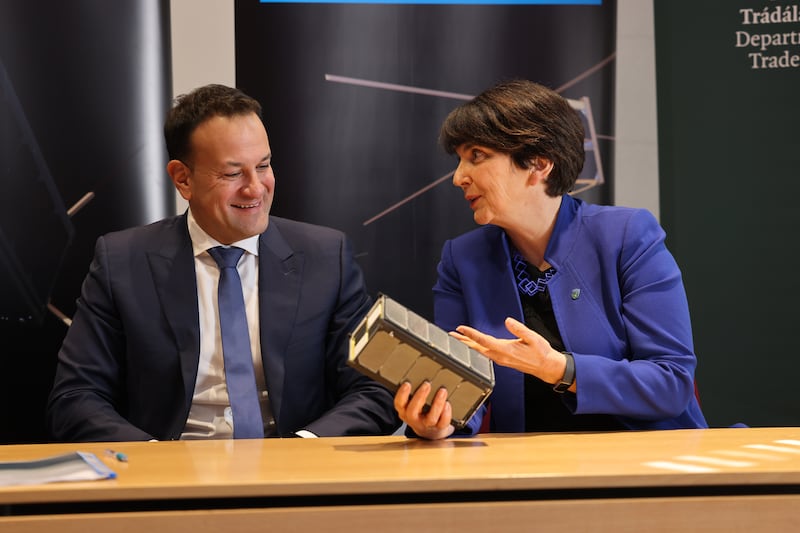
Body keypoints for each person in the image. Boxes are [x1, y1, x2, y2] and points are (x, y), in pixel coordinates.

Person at [47, 84, 400, 441]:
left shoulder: (327, 257)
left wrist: (302, 451)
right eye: (233, 174)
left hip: (292, 477)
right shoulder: (122, 262)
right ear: (182, 179)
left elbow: (373, 390)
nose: (255, 188)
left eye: (263, 166)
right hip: (169, 477)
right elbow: (76, 398)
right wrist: (154, 462)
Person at [394, 79, 708, 440]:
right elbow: (459, 391)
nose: (458, 177)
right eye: (460, 160)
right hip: (525, 471)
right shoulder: (462, 260)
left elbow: (671, 382)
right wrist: (437, 422)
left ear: (539, 163)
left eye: (476, 156)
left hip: (646, 461)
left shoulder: (627, 235)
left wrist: (556, 368)